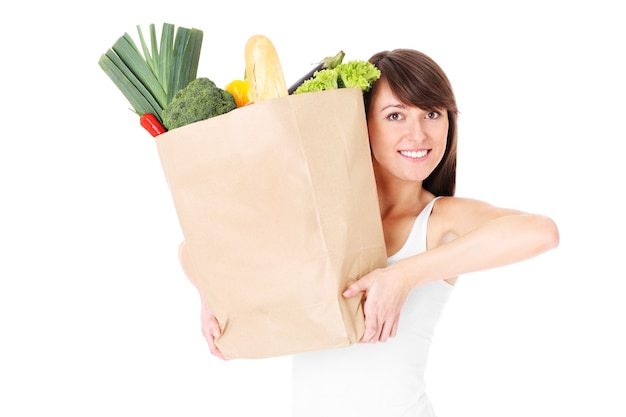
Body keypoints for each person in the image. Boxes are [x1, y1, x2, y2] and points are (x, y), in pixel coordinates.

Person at [178, 48, 560, 416]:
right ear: (361, 122)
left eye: (432, 113)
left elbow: (541, 232)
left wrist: (403, 276)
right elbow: (192, 248)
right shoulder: (320, 213)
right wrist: (212, 291)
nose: (419, 134)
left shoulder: (439, 219)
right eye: (396, 116)